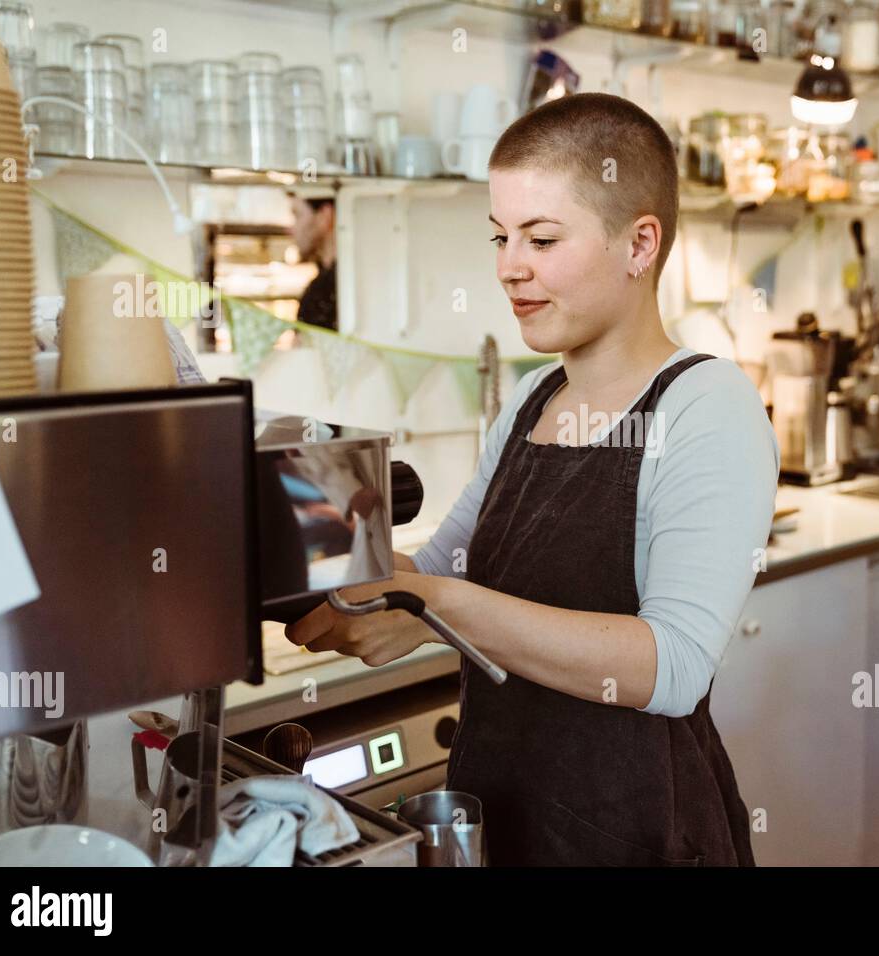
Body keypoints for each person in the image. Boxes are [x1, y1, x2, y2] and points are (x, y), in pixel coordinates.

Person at [285, 93, 778, 866]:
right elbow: (447, 565)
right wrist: (317, 542)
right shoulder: (530, 397)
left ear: (640, 243)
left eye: (543, 238)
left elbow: (673, 665)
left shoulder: (708, 405)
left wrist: (433, 604)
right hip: (506, 813)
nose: (511, 268)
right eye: (501, 237)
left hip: (637, 831)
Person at [289, 193, 337, 331]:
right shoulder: (325, 285)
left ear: (325, 216)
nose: (291, 229)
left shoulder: (327, 290)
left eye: (297, 215)